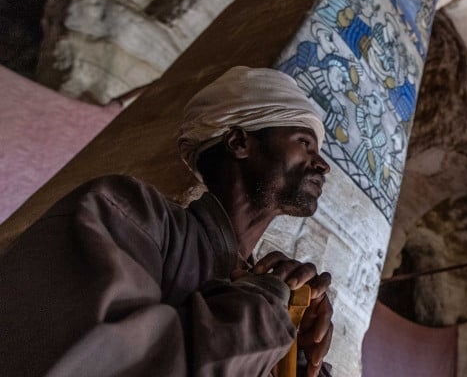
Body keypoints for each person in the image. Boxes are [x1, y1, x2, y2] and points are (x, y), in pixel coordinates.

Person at [0, 66, 335, 376]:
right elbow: (95, 362)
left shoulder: (269, 291)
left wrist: (301, 356)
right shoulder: (125, 212)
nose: (322, 164)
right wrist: (261, 306)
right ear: (239, 142)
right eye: (304, 143)